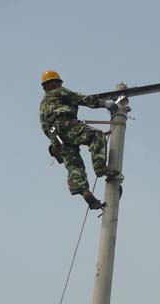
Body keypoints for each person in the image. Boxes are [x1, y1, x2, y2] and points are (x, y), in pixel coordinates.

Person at [40, 70, 120, 210]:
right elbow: (79, 98)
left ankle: (84, 191)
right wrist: (103, 104)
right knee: (96, 135)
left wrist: (55, 143)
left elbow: (44, 127)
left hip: (56, 137)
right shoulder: (58, 92)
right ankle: (100, 166)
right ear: (54, 84)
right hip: (65, 124)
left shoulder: (43, 105)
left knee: (74, 165)